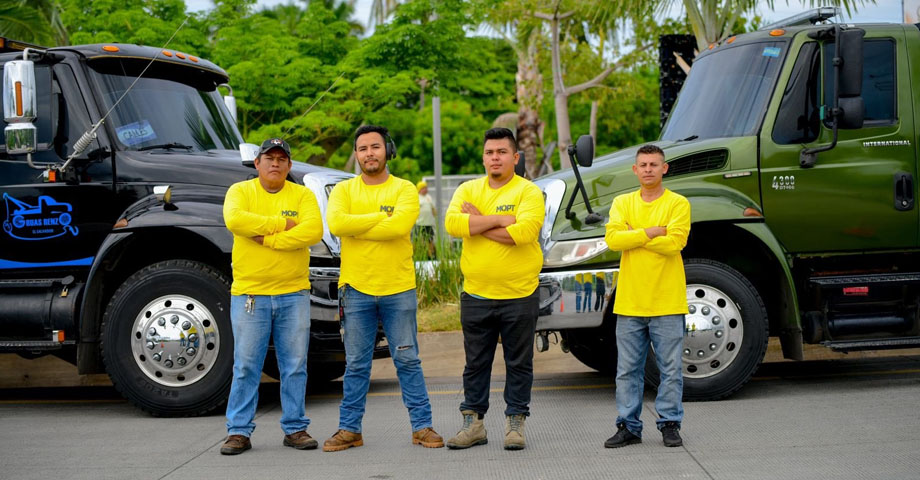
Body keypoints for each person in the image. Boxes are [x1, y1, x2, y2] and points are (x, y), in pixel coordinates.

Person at [324, 125, 443, 452]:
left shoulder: (405, 189)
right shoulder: (343, 191)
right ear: (357, 154)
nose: (369, 154)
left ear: (386, 150)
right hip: (356, 288)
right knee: (357, 363)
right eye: (362, 149)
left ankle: (422, 427)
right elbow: (336, 225)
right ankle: (350, 430)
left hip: (397, 287)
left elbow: (400, 226)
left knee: (407, 360)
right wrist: (380, 218)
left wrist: (359, 223)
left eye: (375, 147)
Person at [220, 138, 324, 455]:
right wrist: (282, 224)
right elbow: (235, 220)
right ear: (257, 163)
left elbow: (313, 230)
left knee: (294, 365)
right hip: (251, 294)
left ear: (289, 165)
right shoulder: (240, 192)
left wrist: (267, 239)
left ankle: (295, 428)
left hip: (293, 293)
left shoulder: (303, 194)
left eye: (282, 158)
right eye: (269, 158)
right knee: (246, 366)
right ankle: (238, 431)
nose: (275, 163)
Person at [444, 127, 545, 451]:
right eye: (490, 153)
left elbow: (525, 233)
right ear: (484, 157)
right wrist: (501, 220)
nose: (495, 158)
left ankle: (516, 423)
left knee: (519, 363)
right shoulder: (468, 189)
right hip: (476, 295)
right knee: (475, 364)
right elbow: (452, 225)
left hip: (519, 295)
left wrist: (478, 223)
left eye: (502, 152)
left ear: (515, 158)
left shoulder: (528, 192)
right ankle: (473, 424)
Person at [602, 144, 691, 449]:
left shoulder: (678, 203)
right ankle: (628, 426)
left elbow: (675, 243)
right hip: (630, 302)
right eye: (643, 164)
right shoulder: (622, 202)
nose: (649, 169)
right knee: (627, 371)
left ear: (664, 168)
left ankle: (669, 424)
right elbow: (613, 240)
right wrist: (652, 231)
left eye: (654, 164)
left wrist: (635, 235)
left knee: (671, 370)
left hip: (667, 301)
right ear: (635, 170)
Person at [415, 180, 437, 258]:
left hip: (429, 223)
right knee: (419, 240)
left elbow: (433, 208)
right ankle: (419, 255)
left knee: (430, 240)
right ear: (420, 189)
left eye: (426, 187)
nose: (426, 189)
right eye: (424, 188)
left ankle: (431, 256)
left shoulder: (429, 197)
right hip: (419, 224)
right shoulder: (416, 197)